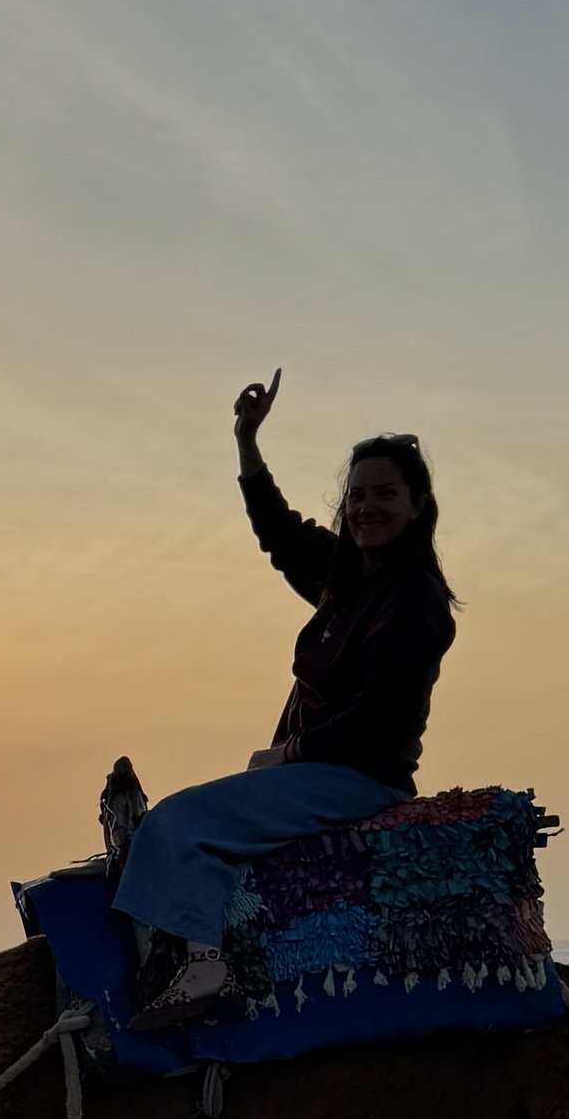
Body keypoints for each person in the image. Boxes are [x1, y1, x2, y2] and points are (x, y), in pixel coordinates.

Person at [112, 375, 457, 1025]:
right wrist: (246, 441)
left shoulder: (415, 600)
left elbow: (381, 717)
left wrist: (292, 750)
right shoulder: (344, 579)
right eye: (356, 495)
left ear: (417, 505)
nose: (366, 508)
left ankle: (204, 966)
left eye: (385, 494)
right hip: (315, 770)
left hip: (357, 779)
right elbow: (278, 533)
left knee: (177, 824)